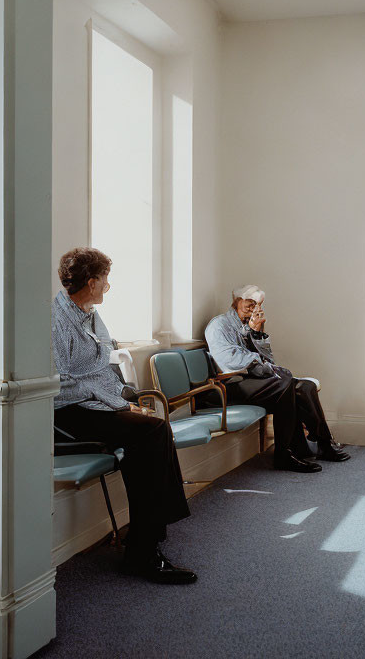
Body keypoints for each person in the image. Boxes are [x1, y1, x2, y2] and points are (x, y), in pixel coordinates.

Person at [52, 248, 196, 585]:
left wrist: (121, 397)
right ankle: (145, 548)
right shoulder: (54, 320)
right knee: (152, 430)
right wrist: (119, 405)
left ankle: (145, 541)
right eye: (105, 280)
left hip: (96, 399)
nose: (107, 286)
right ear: (91, 282)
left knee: (150, 433)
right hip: (68, 410)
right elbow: (62, 385)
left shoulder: (89, 313)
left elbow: (102, 368)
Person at [204, 285, 349, 474]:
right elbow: (230, 362)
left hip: (252, 382)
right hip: (229, 385)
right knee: (285, 383)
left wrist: (256, 334)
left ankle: (323, 443)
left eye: (258, 304)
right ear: (237, 301)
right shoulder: (219, 325)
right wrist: (267, 367)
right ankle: (285, 454)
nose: (254, 308)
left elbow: (268, 360)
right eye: (250, 303)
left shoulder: (247, 325)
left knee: (305, 386)